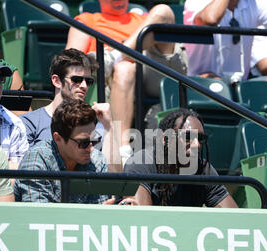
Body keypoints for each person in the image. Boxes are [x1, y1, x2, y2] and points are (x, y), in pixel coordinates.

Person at [66, 0, 188, 164]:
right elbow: (70, 64)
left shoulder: (142, 18)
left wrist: (117, 54)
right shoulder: (87, 20)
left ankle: (115, 56)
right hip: (107, 80)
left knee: (163, 11)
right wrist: (99, 57)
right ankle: (123, 149)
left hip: (148, 72)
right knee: (125, 69)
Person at [20, 49, 122, 172]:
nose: (84, 86)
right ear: (56, 81)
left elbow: (114, 178)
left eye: (88, 81)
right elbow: (25, 172)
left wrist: (109, 126)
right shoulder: (29, 123)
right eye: (76, 80)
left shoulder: (96, 125)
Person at [123, 108, 238, 208]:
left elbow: (236, 220)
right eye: (188, 137)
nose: (196, 145)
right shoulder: (140, 163)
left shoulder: (203, 170)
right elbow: (141, 220)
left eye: (201, 139)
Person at [14, 99, 109, 204]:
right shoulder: (37, 161)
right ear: (58, 138)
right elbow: (38, 216)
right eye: (83, 142)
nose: (91, 148)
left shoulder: (97, 160)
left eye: (95, 140)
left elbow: (100, 210)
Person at [183, 0, 267, 84]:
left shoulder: (254, 2)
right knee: (216, 83)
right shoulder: (195, 1)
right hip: (199, 80)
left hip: (240, 83)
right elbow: (210, 19)